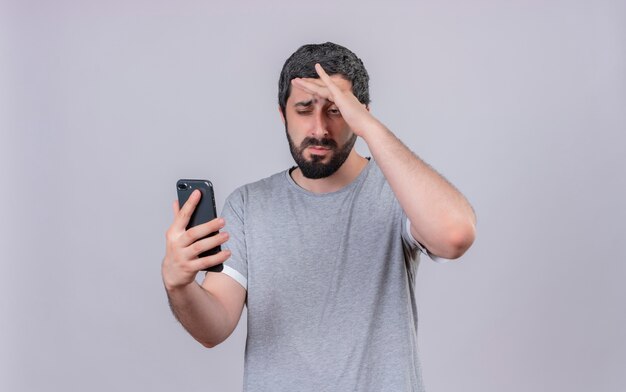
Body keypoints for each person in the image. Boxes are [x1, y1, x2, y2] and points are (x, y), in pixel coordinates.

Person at [162, 42, 476, 391]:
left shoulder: (399, 193)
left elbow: (454, 235)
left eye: (336, 110)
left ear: (362, 114)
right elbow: (214, 327)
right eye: (303, 109)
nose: (319, 129)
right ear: (283, 114)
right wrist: (180, 285)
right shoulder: (248, 205)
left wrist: (369, 128)